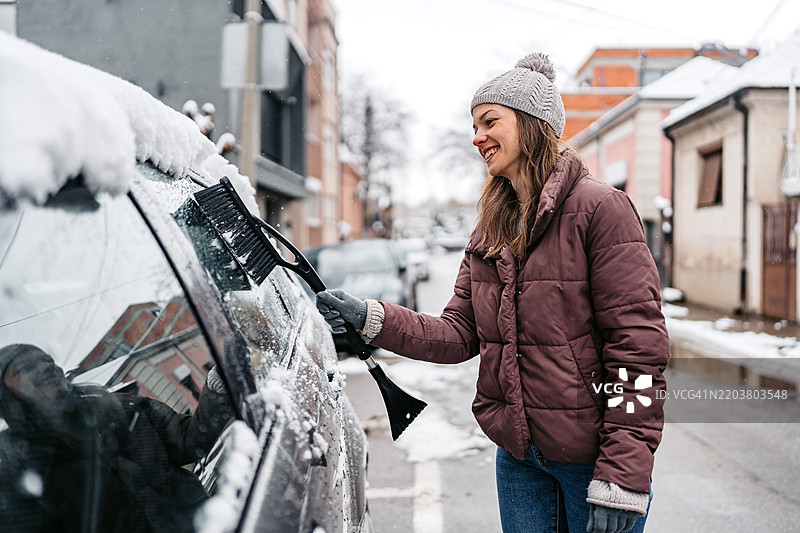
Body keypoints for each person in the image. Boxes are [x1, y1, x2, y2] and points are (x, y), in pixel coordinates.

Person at [316, 52, 669, 533]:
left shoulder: (600, 209)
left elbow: (638, 350)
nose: (476, 137)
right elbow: (458, 333)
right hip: (520, 456)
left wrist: (623, 473)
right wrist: (371, 317)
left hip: (592, 461)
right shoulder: (493, 227)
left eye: (489, 121)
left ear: (532, 123)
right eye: (474, 125)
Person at [0, 343, 234, 533]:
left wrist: (219, 384)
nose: (46, 366)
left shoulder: (119, 408)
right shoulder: (15, 470)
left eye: (47, 359)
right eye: (25, 368)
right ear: (4, 394)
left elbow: (188, 440)